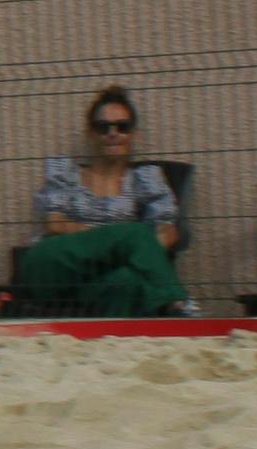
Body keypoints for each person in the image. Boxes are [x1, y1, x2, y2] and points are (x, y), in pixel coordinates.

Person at [13, 85, 191, 314]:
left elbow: (168, 231)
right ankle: (183, 305)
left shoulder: (145, 178)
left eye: (122, 127)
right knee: (134, 233)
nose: (113, 133)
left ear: (133, 134)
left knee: (126, 281)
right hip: (54, 267)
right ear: (91, 133)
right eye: (103, 127)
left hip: (102, 278)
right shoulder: (65, 172)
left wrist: (127, 251)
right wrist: (119, 243)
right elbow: (55, 224)